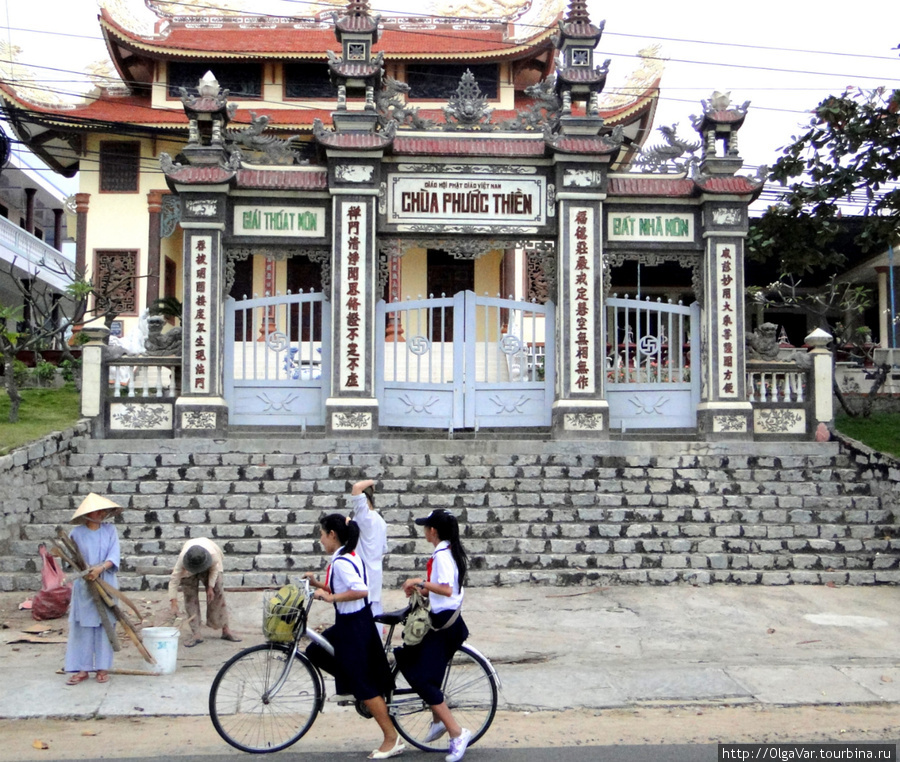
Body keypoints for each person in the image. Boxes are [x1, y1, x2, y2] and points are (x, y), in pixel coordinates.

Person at [304, 515, 403, 760]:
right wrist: (317, 584)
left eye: (321, 534)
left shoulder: (342, 562)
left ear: (332, 535)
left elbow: (359, 589)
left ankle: (392, 739)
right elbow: (340, 586)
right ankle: (355, 682)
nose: (320, 539)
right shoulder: (345, 555)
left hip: (354, 626)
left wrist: (332, 598)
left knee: (363, 684)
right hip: (352, 623)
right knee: (315, 651)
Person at [396, 509, 472, 762]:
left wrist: (420, 581)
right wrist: (422, 588)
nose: (424, 531)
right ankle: (438, 719)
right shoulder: (449, 551)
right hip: (448, 622)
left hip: (443, 626)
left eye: (426, 527)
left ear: (434, 531)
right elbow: (442, 590)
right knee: (424, 669)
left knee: (419, 676)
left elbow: (447, 589)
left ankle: (457, 732)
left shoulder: (442, 555)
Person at [64, 492, 123, 685]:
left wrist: (101, 568)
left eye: (102, 511)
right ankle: (83, 669)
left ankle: (103, 668)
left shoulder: (110, 531)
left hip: (106, 581)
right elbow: (71, 559)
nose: (101, 513)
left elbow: (114, 555)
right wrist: (86, 571)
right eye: (97, 511)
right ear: (89, 514)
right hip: (85, 584)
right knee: (85, 626)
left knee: (106, 624)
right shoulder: (76, 534)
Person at [168, 538, 241, 647]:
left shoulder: (213, 556)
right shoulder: (183, 559)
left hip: (211, 566)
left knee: (218, 594)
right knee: (190, 597)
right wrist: (173, 602)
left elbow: (214, 570)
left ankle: (225, 630)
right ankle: (196, 633)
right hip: (188, 571)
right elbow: (174, 580)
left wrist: (210, 587)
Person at [349, 479, 388, 617]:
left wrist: (372, 482)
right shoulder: (380, 521)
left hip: (364, 577)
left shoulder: (364, 517)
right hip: (375, 576)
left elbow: (356, 487)